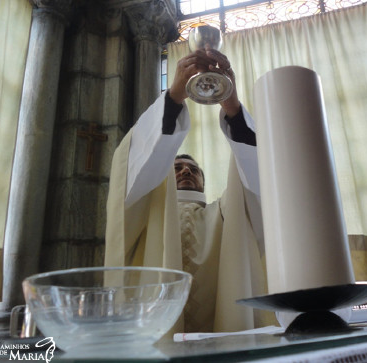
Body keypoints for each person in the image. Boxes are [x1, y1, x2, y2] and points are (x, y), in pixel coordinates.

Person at [105, 47, 275, 333]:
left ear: (204, 183)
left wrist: (232, 109)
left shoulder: (226, 215)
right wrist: (173, 97)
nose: (186, 171)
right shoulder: (147, 209)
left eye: (194, 170)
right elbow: (132, 170)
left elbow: (259, 183)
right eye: (177, 167)